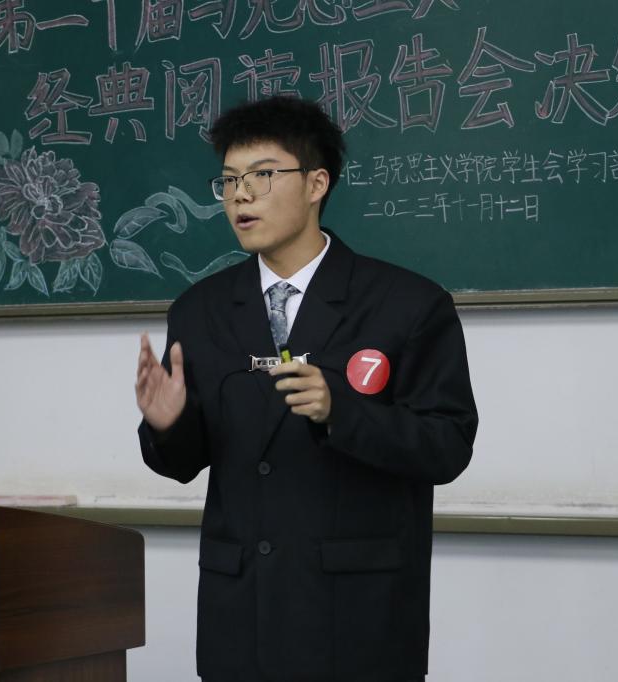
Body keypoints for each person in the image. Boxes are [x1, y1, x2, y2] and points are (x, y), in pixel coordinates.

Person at [135, 95, 478, 682]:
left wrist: (339, 411)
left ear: (317, 183)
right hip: (240, 615)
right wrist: (169, 424)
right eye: (229, 180)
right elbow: (185, 462)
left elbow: (447, 447)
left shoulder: (408, 304)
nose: (240, 196)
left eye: (262, 175)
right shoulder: (200, 310)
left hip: (355, 616)